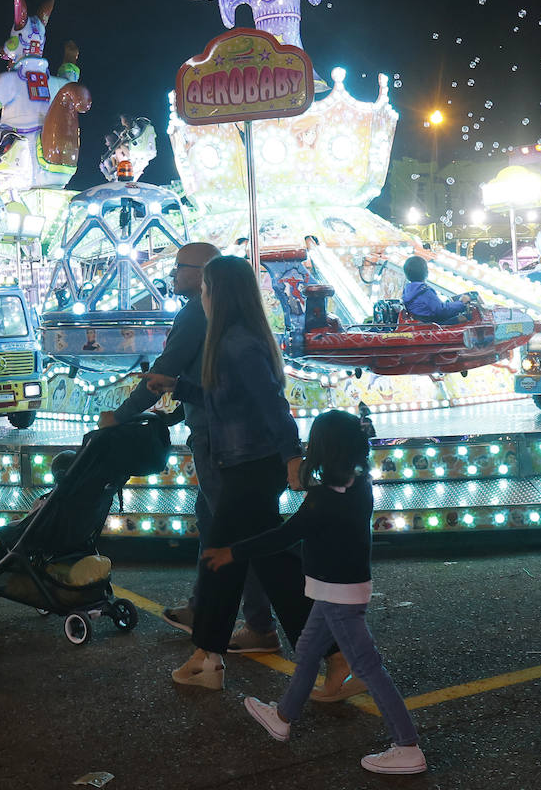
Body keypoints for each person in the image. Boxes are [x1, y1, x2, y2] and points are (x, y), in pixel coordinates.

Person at [145, 255, 348, 693]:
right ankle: (211, 657)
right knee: (244, 562)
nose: (201, 296)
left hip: (251, 468)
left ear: (218, 293)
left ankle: (331, 657)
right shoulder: (236, 341)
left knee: (244, 562)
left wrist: (292, 456)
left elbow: (273, 402)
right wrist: (179, 388)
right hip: (243, 465)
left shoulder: (237, 343)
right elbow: (227, 401)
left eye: (205, 290)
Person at [206, 409, 427, 775]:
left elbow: (283, 536)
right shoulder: (360, 484)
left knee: (369, 669)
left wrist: (232, 551)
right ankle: (282, 717)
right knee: (308, 651)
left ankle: (407, 746)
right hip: (337, 591)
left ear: (324, 451)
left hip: (338, 598)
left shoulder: (323, 499)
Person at [98, 241, 283, 654]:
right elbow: (219, 388)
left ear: (205, 276)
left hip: (224, 444)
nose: (175, 273)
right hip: (224, 436)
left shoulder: (200, 316)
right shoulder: (227, 321)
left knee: (234, 532)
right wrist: (180, 408)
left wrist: (120, 415)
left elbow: (165, 374)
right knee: (213, 521)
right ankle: (206, 608)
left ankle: (259, 625)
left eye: (182, 267)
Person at [400, 256, 470, 325]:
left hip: (422, 323)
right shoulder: (423, 291)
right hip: (432, 325)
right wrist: (461, 303)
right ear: (426, 272)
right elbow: (442, 310)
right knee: (467, 319)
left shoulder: (408, 290)